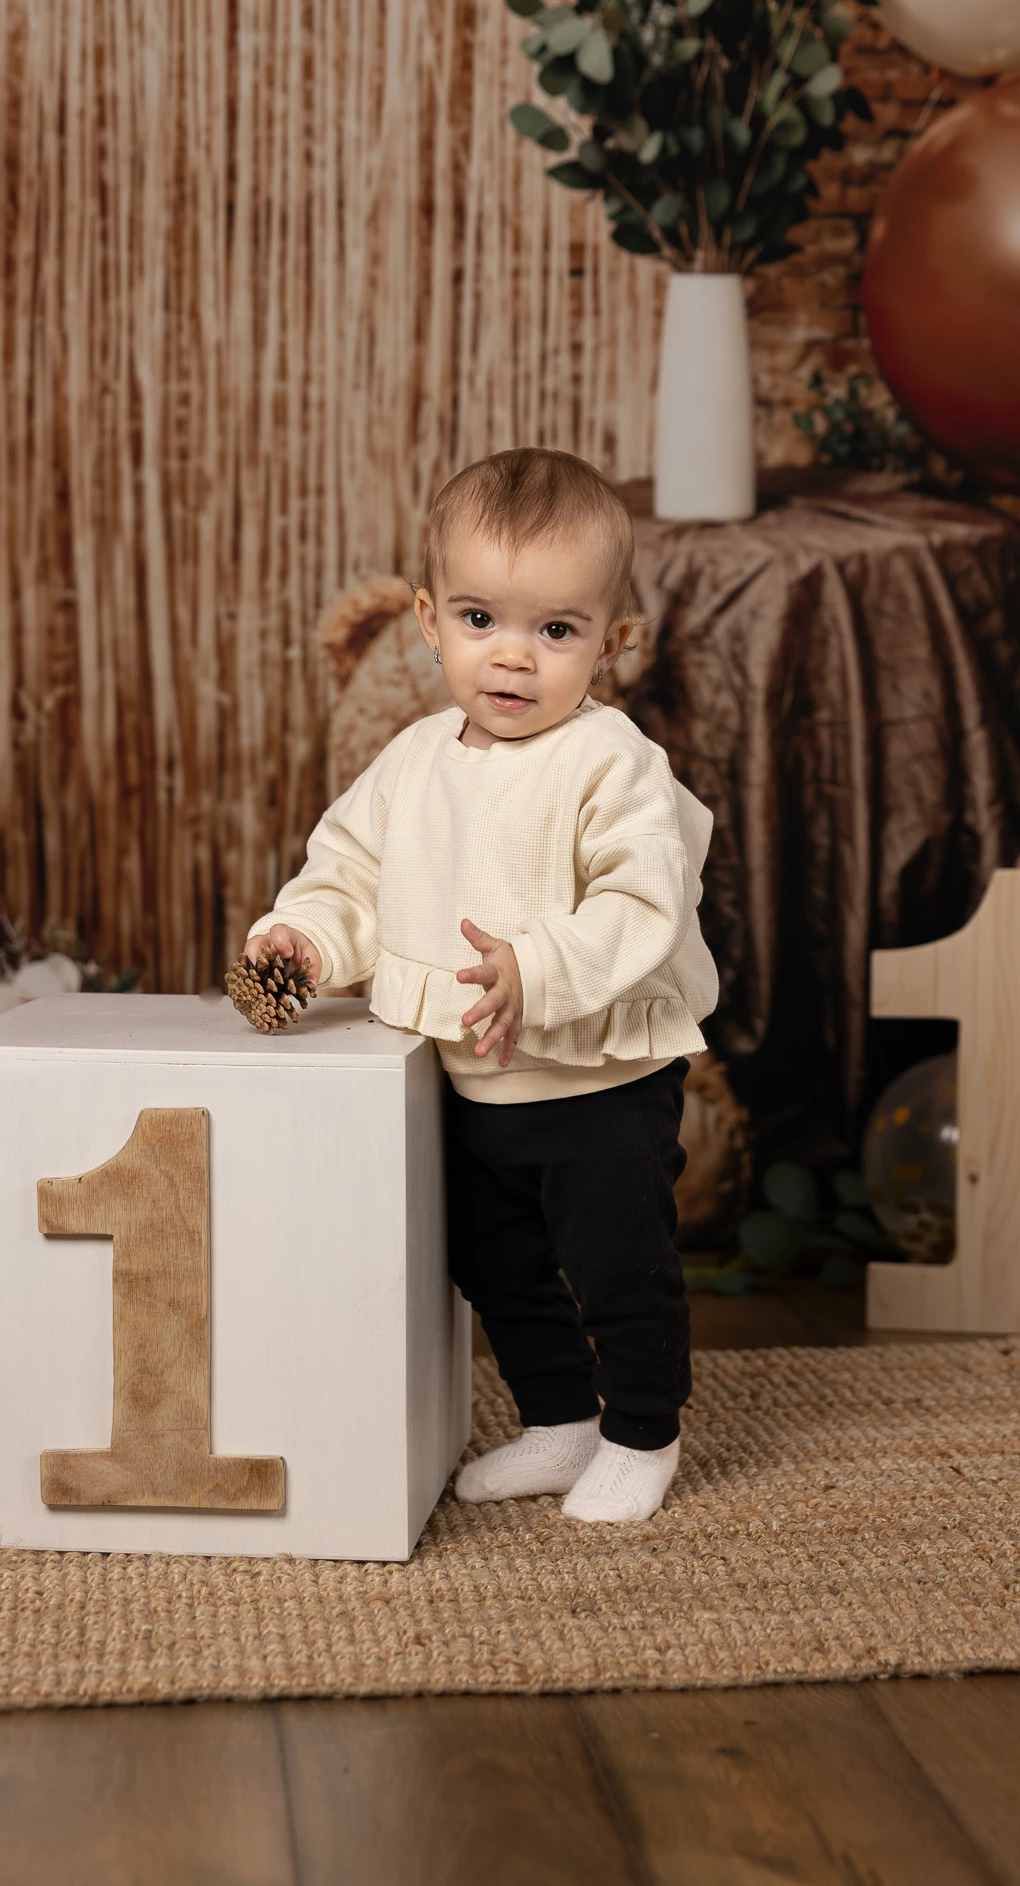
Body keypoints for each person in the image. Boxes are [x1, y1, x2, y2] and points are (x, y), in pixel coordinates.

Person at [245, 448, 718, 1522]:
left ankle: (643, 1430)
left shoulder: (612, 762)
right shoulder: (413, 761)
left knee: (618, 1265)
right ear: (427, 619)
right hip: (467, 1080)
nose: (512, 655)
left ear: (610, 642)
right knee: (491, 1259)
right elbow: (349, 871)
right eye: (478, 619)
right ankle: (560, 1419)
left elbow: (644, 896)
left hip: (596, 1079)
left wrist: (535, 964)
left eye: (555, 630)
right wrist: (307, 938)